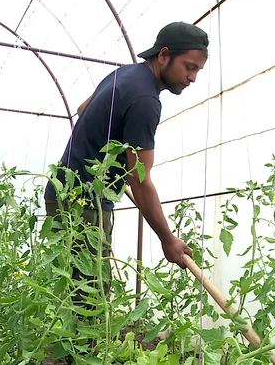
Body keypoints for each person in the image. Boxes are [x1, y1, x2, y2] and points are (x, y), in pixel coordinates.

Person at [43, 21, 209, 289]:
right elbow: (140, 180)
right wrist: (168, 240)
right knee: (90, 297)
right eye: (189, 67)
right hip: (84, 204)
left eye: (198, 70)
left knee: (68, 288)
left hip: (62, 192)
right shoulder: (146, 100)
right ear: (164, 55)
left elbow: (81, 108)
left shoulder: (126, 75)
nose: (193, 77)